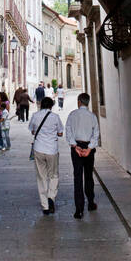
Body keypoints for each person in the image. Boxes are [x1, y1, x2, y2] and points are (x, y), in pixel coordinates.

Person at [65, 91, 100, 219]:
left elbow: (68, 131)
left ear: (79, 102)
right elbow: (96, 134)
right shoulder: (92, 116)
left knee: (78, 177)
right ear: (88, 102)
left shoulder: (72, 115)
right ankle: (90, 203)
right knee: (89, 175)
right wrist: (89, 148)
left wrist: (75, 146)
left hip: (76, 148)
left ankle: (79, 209)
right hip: (88, 148)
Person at [28, 95, 64, 215]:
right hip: (52, 150)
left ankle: (45, 206)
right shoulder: (55, 117)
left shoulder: (35, 116)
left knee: (41, 177)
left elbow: (32, 130)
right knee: (53, 175)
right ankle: (51, 197)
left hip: (39, 149)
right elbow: (60, 132)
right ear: (51, 106)